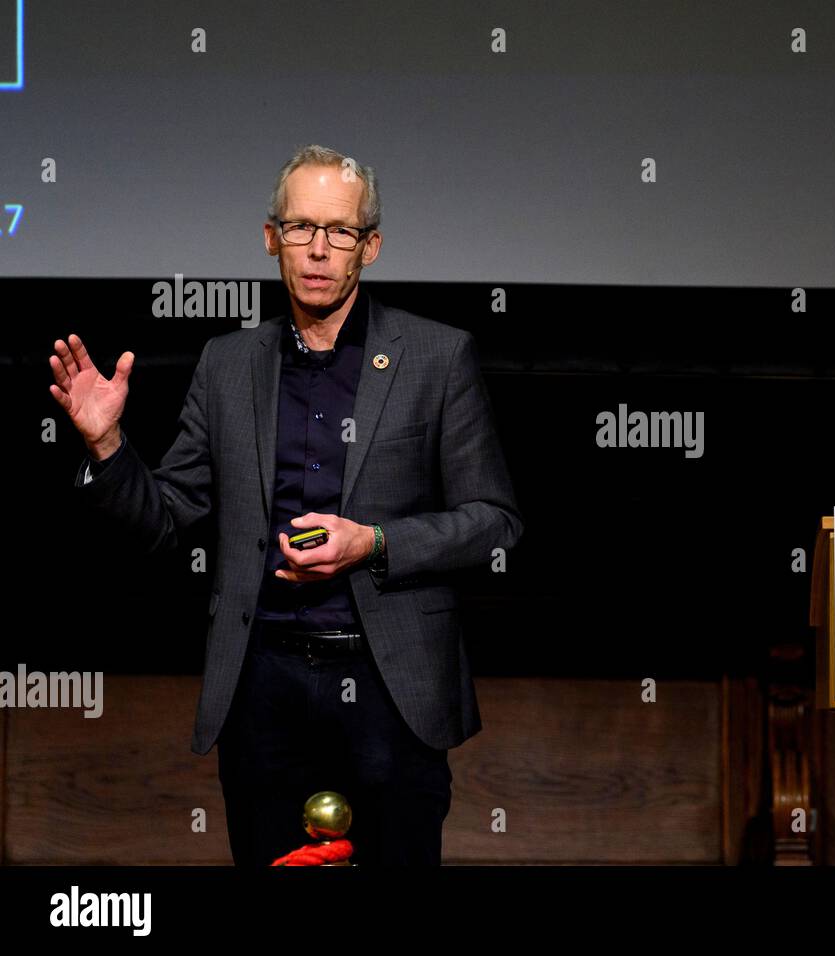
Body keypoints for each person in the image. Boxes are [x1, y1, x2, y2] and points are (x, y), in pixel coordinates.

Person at [49, 144, 523, 865]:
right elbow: (170, 515)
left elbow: (495, 520)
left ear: (372, 246)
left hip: (389, 686)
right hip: (263, 686)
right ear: (272, 238)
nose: (319, 250)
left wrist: (373, 543)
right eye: (301, 228)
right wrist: (109, 447)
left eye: (340, 231)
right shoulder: (227, 363)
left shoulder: (437, 356)